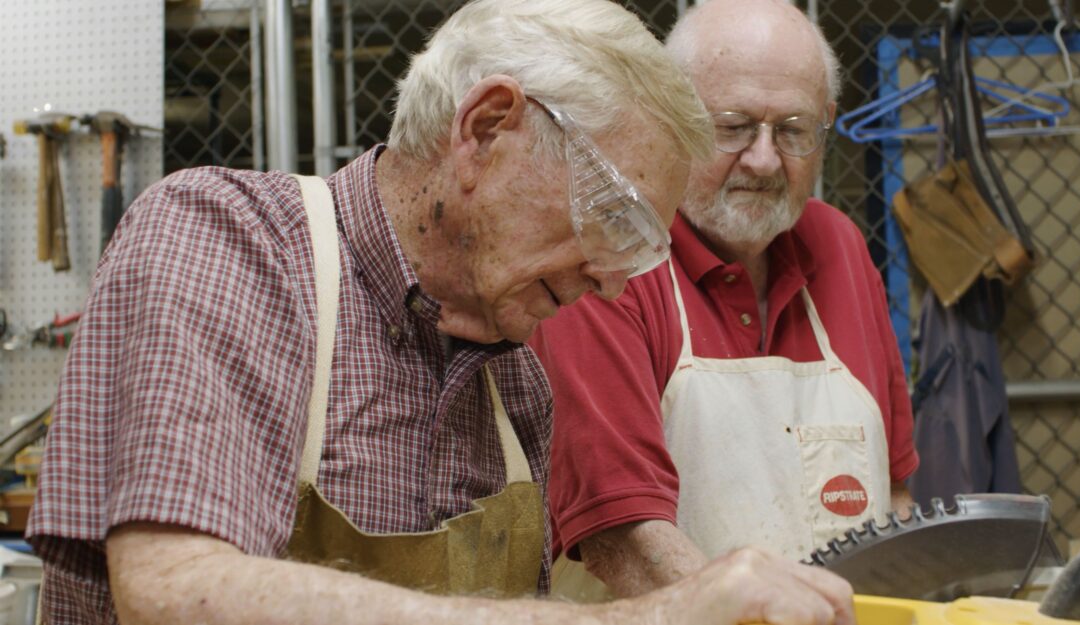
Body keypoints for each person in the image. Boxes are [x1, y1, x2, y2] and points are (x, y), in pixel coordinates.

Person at [26, 0, 857, 623]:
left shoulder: (515, 386)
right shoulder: (230, 240)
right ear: (488, 129)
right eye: (617, 221)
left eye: (642, 248)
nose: (613, 282)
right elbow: (171, 591)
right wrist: (648, 616)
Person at [529, 0, 920, 599]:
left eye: (792, 131)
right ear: (672, 118)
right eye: (733, 126)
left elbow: (893, 491)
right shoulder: (607, 261)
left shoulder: (839, 246)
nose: (764, 160)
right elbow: (625, 538)